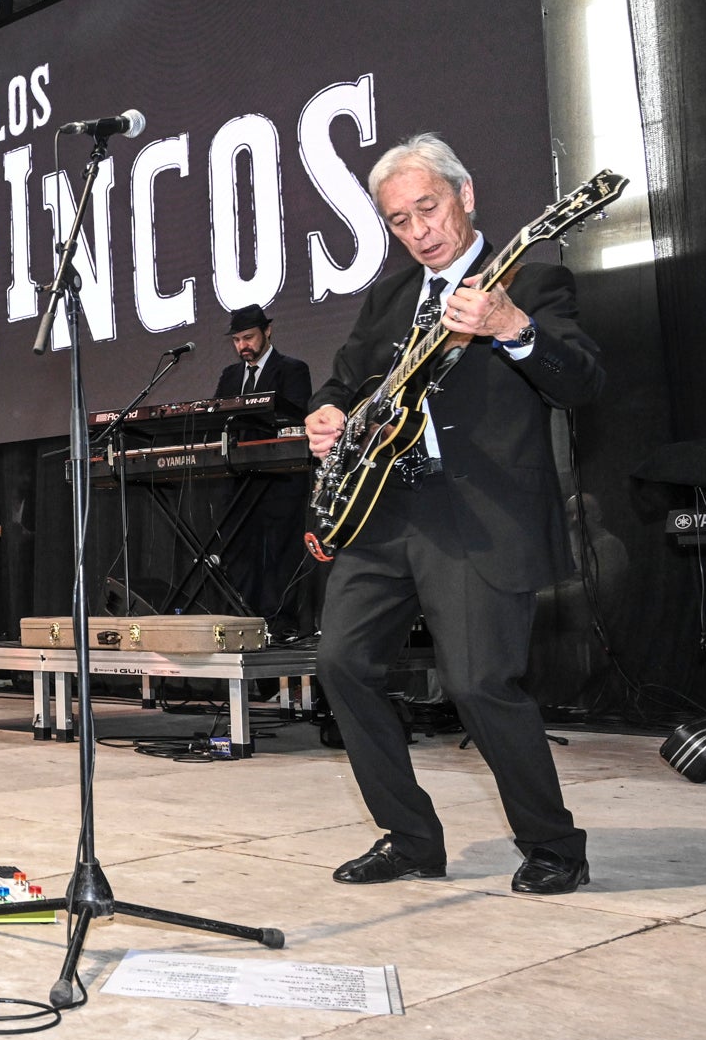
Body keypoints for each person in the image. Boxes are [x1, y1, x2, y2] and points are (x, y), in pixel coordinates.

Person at [304, 134, 603, 897]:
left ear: (465, 196)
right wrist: (329, 413)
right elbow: (341, 378)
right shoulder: (391, 298)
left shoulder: (532, 279)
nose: (419, 231)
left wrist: (513, 329)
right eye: (400, 220)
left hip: (477, 513)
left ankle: (552, 843)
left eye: (428, 208)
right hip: (383, 509)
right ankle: (410, 837)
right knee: (340, 662)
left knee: (477, 683)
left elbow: (581, 381)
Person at [207, 303, 315, 633]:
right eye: (237, 340)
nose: (243, 346)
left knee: (280, 554)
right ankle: (243, 625)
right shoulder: (229, 376)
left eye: (249, 337)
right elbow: (218, 421)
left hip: (280, 479)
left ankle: (281, 627)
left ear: (267, 332)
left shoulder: (292, 370)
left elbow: (294, 419)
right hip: (239, 480)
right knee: (239, 554)